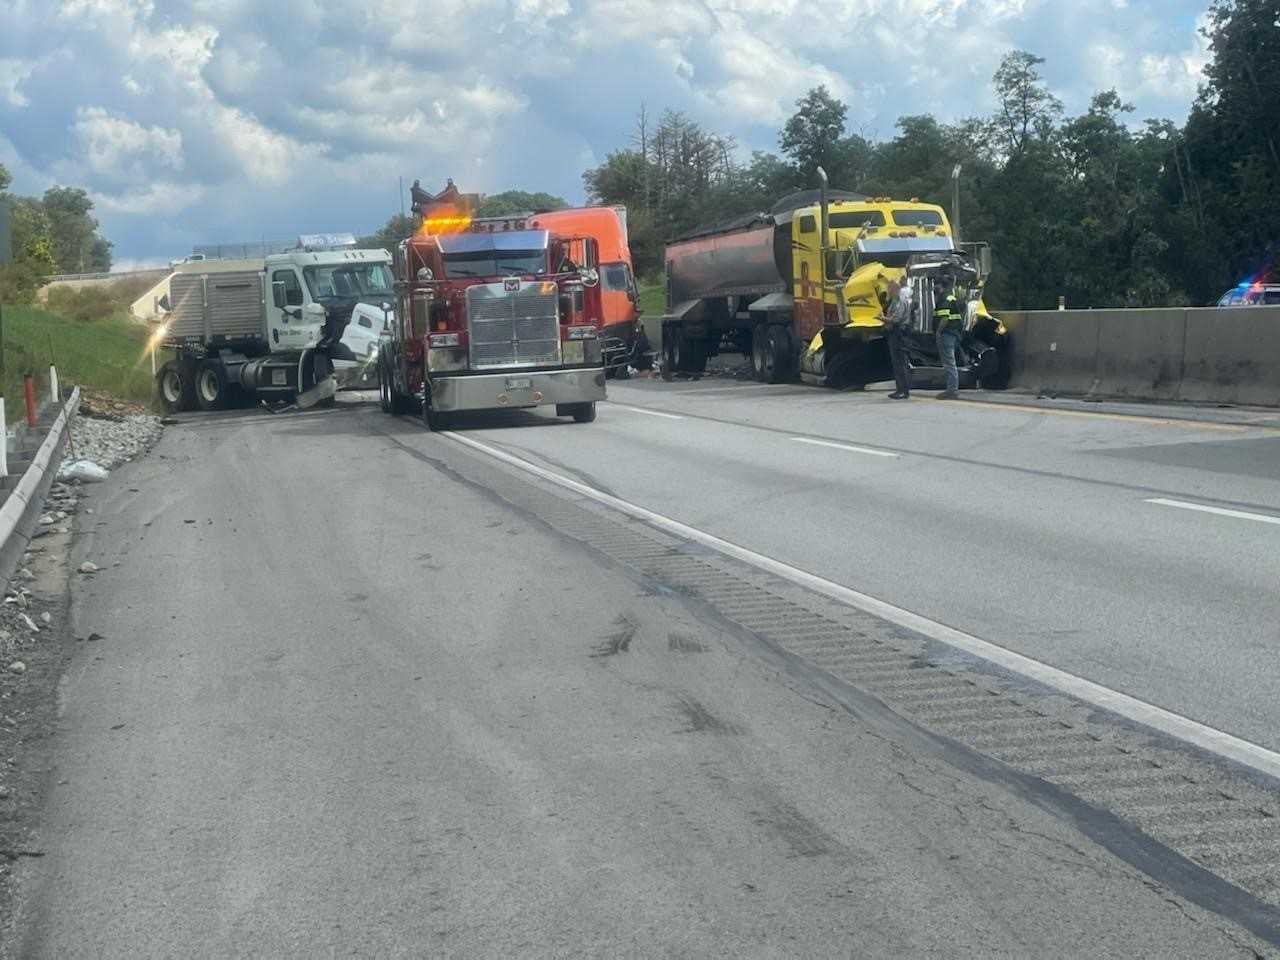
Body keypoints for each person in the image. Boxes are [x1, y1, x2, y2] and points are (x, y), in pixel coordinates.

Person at [933, 273, 963, 399]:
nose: (934, 288)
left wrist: (938, 332)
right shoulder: (951, 297)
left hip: (947, 334)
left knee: (949, 363)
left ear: (941, 285)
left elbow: (944, 318)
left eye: (936, 285)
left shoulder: (944, 298)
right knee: (950, 362)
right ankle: (952, 389)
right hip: (954, 333)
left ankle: (952, 390)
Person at [881, 277, 912, 399]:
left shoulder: (900, 300)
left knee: (900, 362)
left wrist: (881, 319)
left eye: (889, 288)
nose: (888, 290)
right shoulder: (894, 300)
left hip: (899, 334)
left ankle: (903, 390)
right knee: (896, 362)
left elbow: (896, 319)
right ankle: (900, 389)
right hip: (894, 333)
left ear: (895, 289)